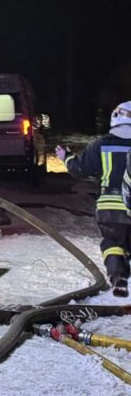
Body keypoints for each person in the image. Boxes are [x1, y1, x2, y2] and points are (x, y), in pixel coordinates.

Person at [57, 101, 131, 298]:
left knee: (113, 243)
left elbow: (79, 169)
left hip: (110, 206)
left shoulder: (102, 143)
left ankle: (118, 278)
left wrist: (66, 157)